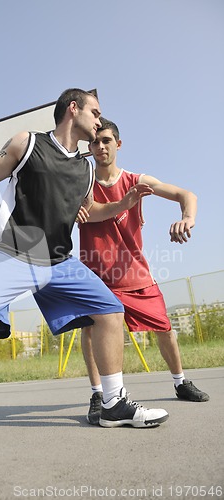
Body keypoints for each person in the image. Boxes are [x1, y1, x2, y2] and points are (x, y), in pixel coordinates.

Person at [0, 90, 168, 476]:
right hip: (10, 251)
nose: (100, 120)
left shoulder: (86, 170)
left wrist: (126, 201)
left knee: (109, 309)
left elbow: (88, 211)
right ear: (73, 109)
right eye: (95, 112)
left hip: (57, 260)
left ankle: (113, 404)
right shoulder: (28, 142)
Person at [78, 117, 209, 426]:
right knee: (90, 330)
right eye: (95, 142)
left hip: (134, 273)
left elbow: (187, 195)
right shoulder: (82, 183)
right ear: (89, 148)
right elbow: (76, 214)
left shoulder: (137, 180)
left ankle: (180, 382)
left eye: (106, 141)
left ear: (118, 144)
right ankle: (98, 394)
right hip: (96, 274)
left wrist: (187, 218)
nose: (100, 147)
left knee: (164, 327)